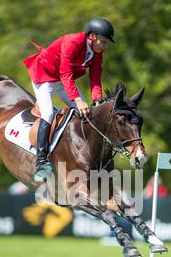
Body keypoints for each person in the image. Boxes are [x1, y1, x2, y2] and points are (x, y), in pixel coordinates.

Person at [23, 18, 115, 182]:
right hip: (44, 77)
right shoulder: (72, 41)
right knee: (48, 114)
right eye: (103, 42)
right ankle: (41, 162)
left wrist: (97, 100)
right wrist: (78, 100)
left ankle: (86, 156)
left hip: (62, 80)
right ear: (92, 37)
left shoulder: (97, 53)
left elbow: (95, 77)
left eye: (106, 43)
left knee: (88, 114)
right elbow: (66, 73)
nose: (105, 46)